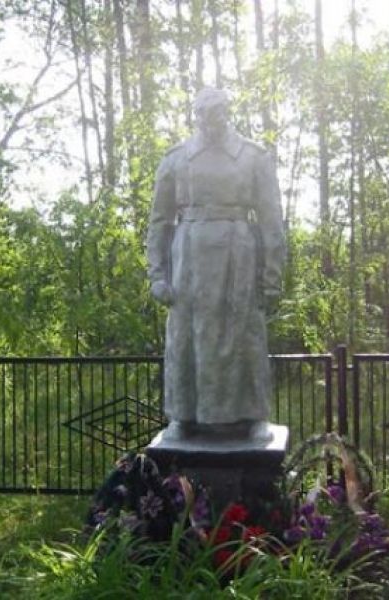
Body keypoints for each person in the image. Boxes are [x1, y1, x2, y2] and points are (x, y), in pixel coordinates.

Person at [146, 87, 286, 442]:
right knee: (185, 336)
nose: (211, 120)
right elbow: (159, 222)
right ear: (195, 115)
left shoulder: (254, 157)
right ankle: (183, 415)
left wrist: (272, 277)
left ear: (227, 113)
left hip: (239, 256)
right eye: (204, 113)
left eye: (217, 112)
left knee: (245, 333)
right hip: (188, 258)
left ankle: (253, 414)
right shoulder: (176, 159)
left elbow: (271, 221)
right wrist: (157, 275)